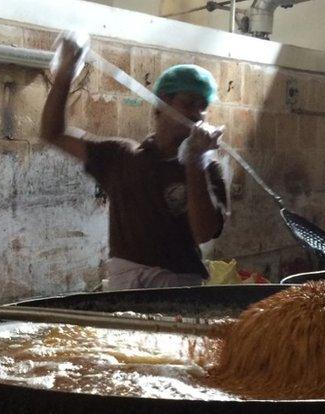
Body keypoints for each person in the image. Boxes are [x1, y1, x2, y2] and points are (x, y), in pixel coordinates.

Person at [41, 37, 229, 290]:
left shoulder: (206, 168)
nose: (196, 114)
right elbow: (53, 133)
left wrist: (195, 162)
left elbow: (203, 233)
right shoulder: (122, 156)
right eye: (188, 103)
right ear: (161, 105)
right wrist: (65, 75)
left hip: (178, 289)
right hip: (125, 286)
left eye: (203, 107)